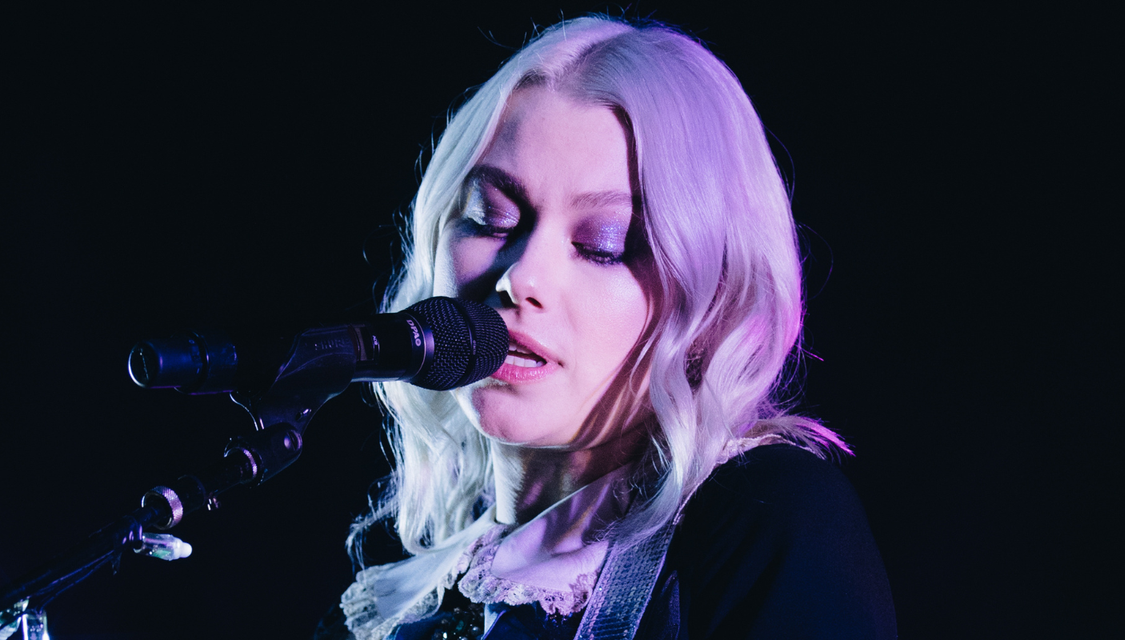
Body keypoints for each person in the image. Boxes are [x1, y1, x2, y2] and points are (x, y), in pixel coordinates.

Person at [316, 15, 895, 640]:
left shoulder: (768, 517)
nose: (521, 278)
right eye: (491, 217)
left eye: (604, 246)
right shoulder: (395, 599)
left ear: (712, 298)